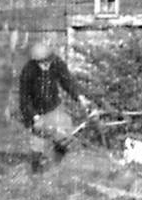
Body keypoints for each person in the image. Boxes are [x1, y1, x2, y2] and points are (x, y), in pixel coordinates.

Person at [19, 41, 90, 171]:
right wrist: (35, 117)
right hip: (35, 112)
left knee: (64, 137)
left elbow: (68, 81)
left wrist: (79, 97)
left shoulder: (57, 63)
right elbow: (24, 99)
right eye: (41, 64)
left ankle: (56, 166)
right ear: (35, 62)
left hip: (53, 107)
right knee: (37, 149)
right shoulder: (28, 71)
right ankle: (37, 170)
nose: (45, 66)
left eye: (47, 63)